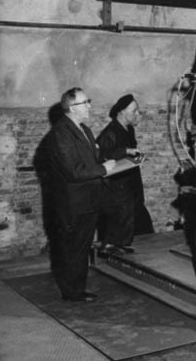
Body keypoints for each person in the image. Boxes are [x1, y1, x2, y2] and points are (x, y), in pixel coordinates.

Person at [47, 87, 115, 302]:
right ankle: (72, 293)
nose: (89, 106)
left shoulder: (84, 129)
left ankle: (77, 288)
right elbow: (73, 171)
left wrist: (112, 160)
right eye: (84, 103)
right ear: (71, 108)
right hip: (74, 203)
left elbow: (90, 160)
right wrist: (103, 169)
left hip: (89, 199)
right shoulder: (61, 133)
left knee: (82, 246)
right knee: (74, 248)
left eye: (88, 101)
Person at [96, 94, 153, 255]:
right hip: (116, 190)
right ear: (121, 112)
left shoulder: (129, 129)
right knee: (116, 228)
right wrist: (125, 151)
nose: (137, 114)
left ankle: (125, 246)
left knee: (138, 224)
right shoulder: (109, 133)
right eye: (134, 111)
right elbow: (100, 157)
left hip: (131, 185)